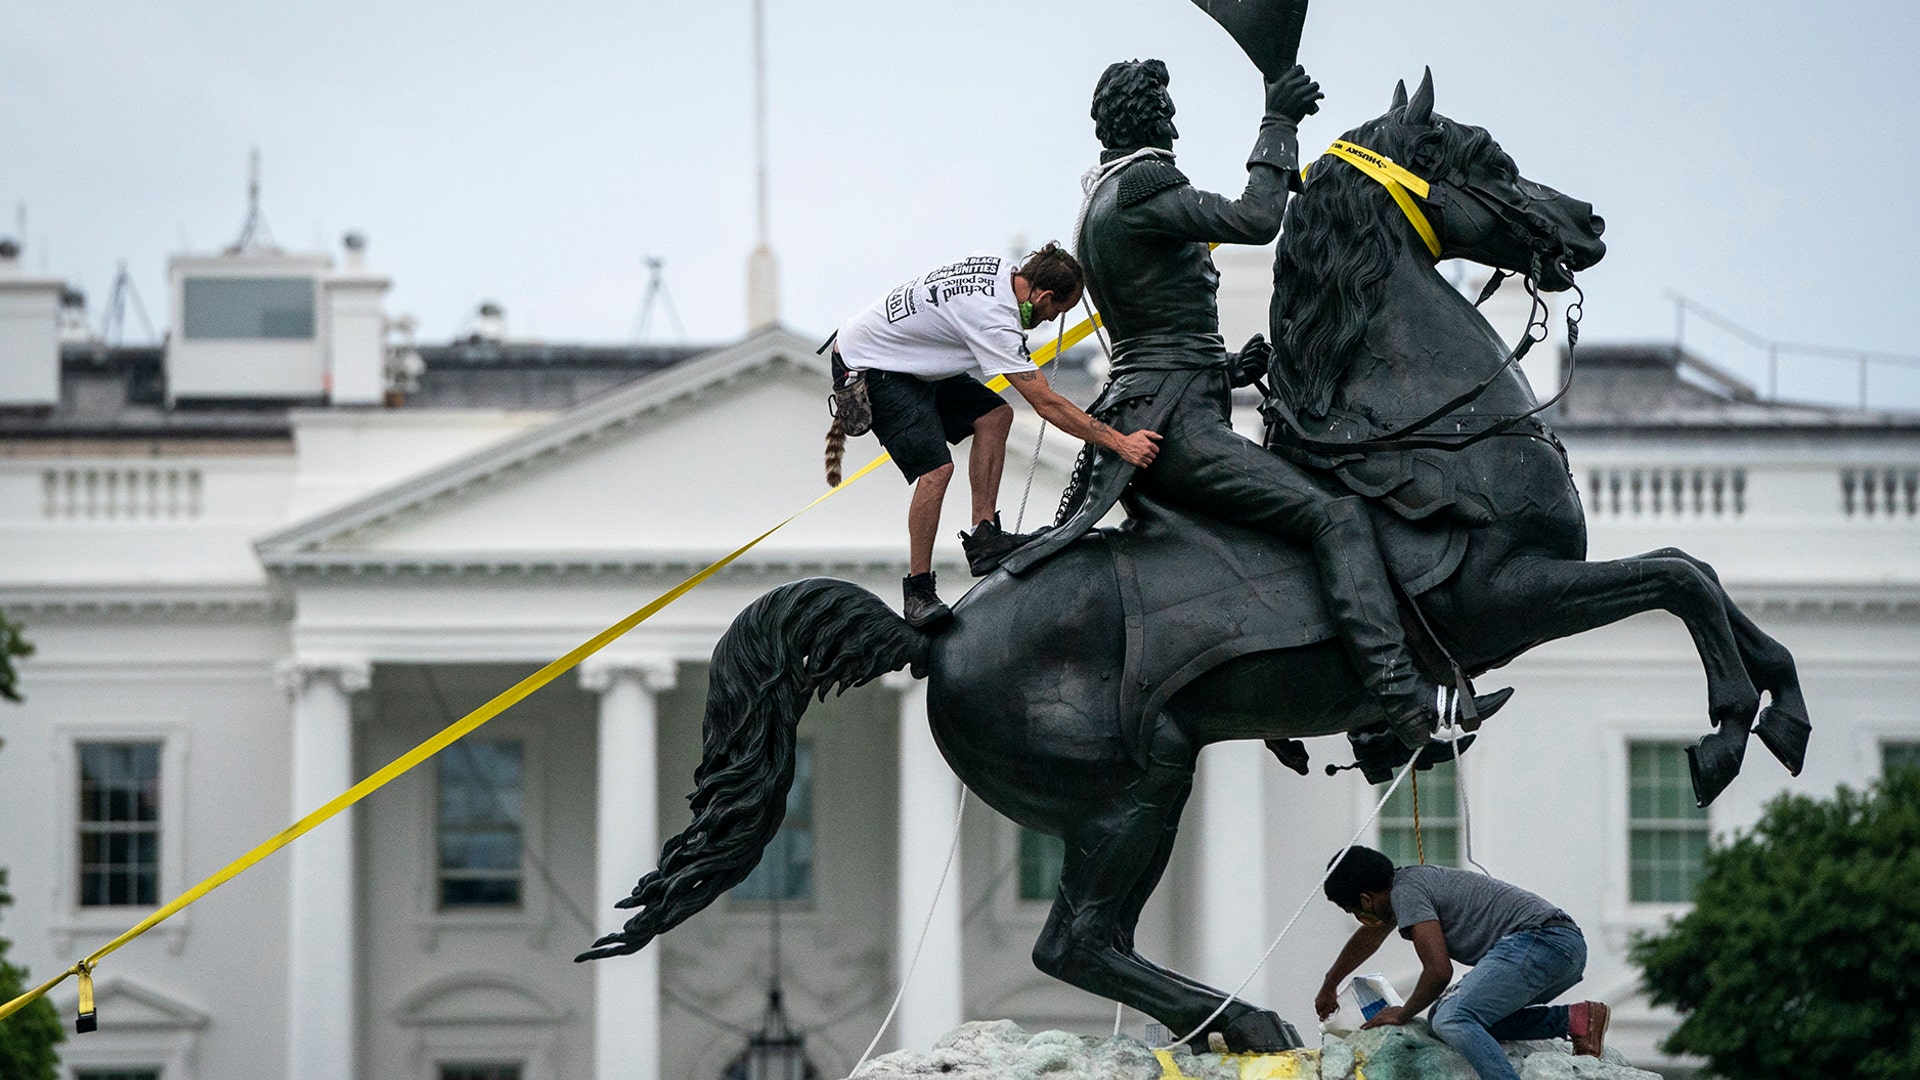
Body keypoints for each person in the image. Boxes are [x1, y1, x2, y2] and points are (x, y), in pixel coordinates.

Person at [999, 58, 1474, 751]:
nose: (1175, 121)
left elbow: (1151, 338)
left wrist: (1225, 367)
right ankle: (1399, 707)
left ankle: (1340, 705)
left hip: (1162, 405)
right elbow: (1255, 219)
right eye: (1166, 109)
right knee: (1335, 516)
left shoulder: (1100, 201)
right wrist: (1277, 121)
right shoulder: (1141, 187)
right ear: (1149, 118)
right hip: (1175, 432)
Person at [827, 244, 1161, 629]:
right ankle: (917, 590)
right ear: (1043, 295)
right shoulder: (994, 320)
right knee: (936, 470)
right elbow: (1047, 404)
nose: (1052, 321)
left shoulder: (1003, 271)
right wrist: (1122, 442)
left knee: (995, 415)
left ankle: (984, 536)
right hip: (870, 365)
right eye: (1057, 312)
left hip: (908, 357)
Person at [1317, 846, 1611, 1078]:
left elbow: (1438, 971)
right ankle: (1577, 1019)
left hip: (1541, 941)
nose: (1362, 919)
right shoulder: (1407, 888)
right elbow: (1369, 938)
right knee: (1454, 1023)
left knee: (1451, 1018)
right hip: (1562, 949)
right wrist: (1330, 984)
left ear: (1365, 899)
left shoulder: (1406, 892)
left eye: (1354, 909)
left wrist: (1402, 1013)